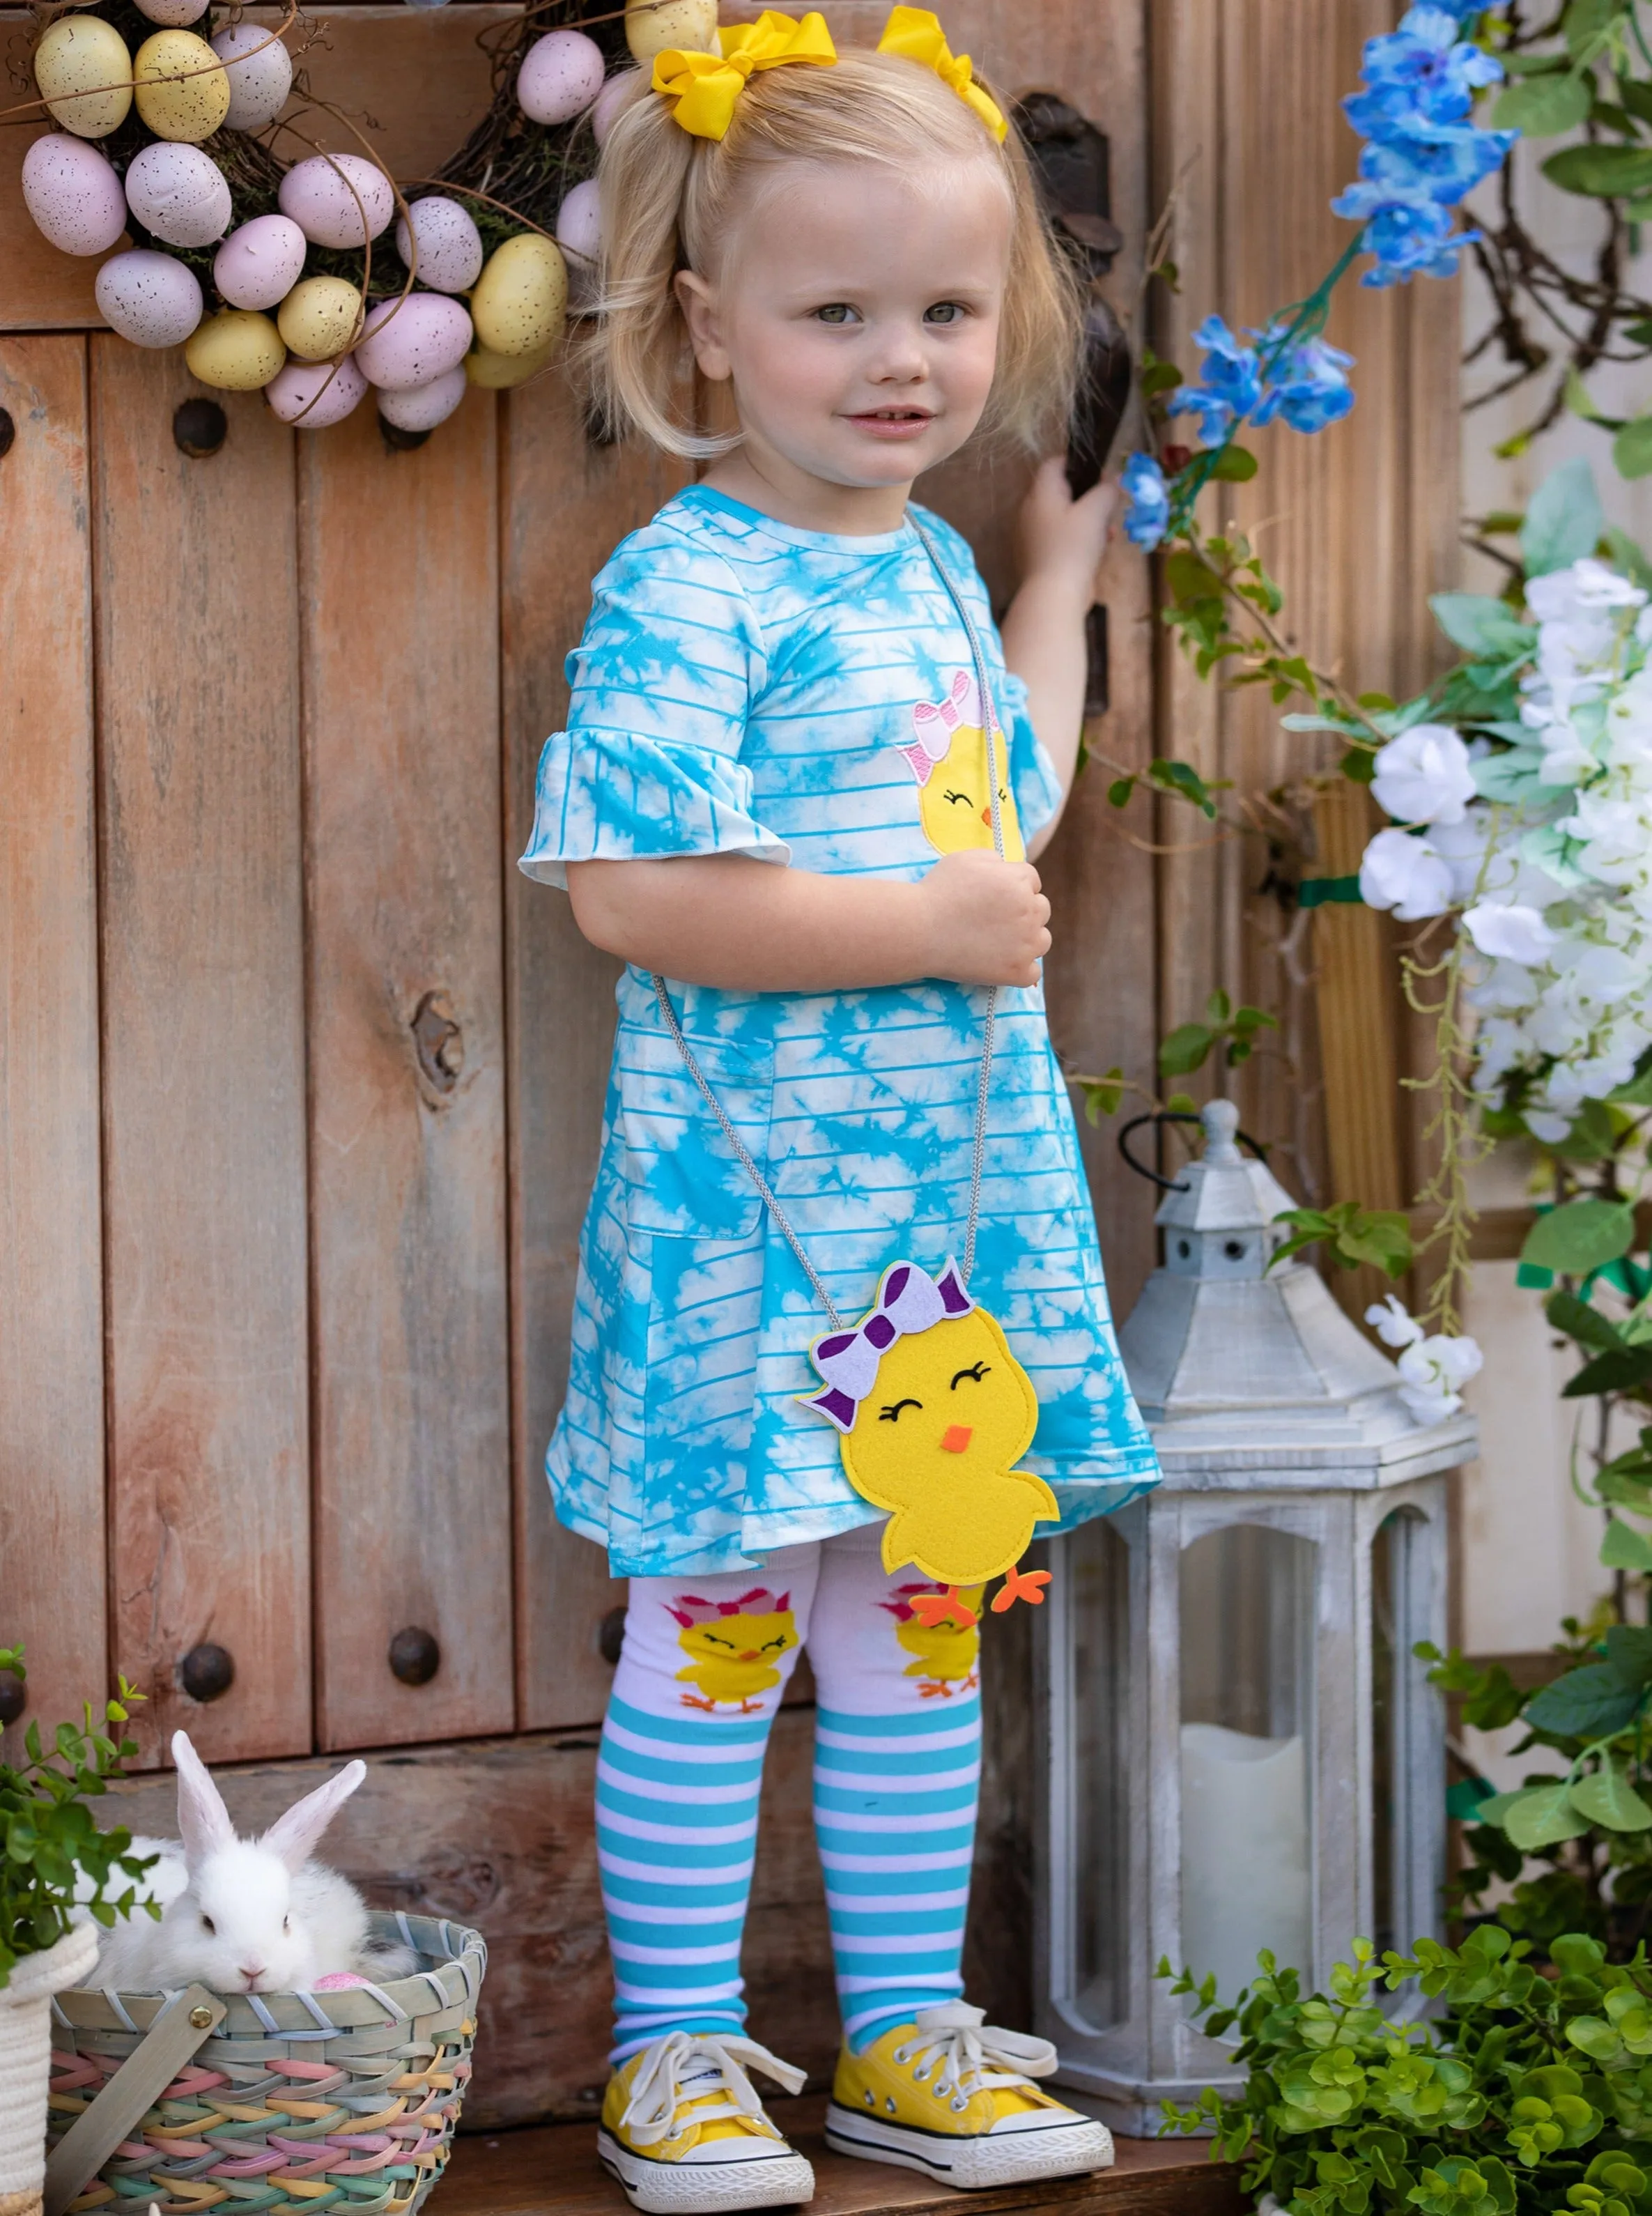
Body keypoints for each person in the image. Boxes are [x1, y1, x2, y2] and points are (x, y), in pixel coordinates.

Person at [519, 11, 1159, 2210]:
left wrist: (1057, 592)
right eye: (836, 311)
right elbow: (629, 893)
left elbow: (1010, 819)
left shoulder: (910, 569)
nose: (903, 360)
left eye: (949, 311)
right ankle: (677, 2053)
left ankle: (897, 2034)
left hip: (934, 1253)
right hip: (744, 1242)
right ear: (709, 324)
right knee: (716, 1634)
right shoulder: (690, 586)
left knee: (907, 1619)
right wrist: (934, 922)